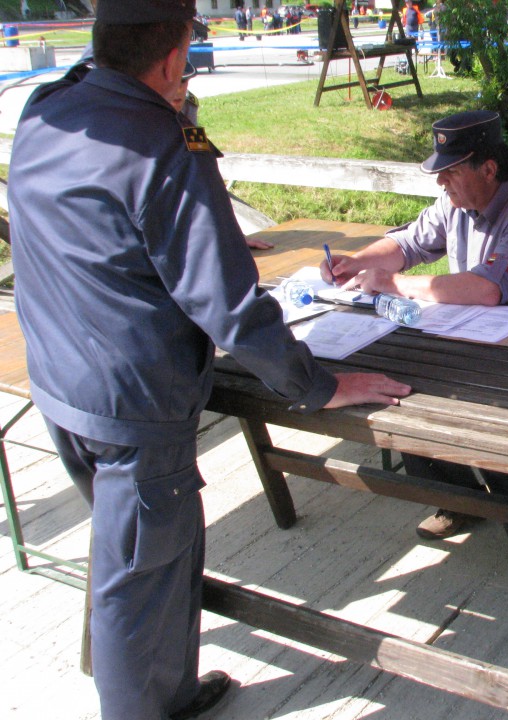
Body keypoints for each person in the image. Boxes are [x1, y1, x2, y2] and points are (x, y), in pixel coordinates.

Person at [7, 2, 411, 719]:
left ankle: (170, 691)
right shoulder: (163, 144)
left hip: (62, 382)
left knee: (143, 562)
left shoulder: (48, 107)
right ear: (171, 60)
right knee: (140, 582)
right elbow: (227, 304)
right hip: (133, 404)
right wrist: (317, 384)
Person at [324, 110, 508, 569]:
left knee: (484, 408)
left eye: (449, 172)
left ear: (488, 168)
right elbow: (409, 243)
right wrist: (356, 260)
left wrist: (393, 284)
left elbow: (488, 288)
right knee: (402, 380)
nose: (441, 183)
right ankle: (459, 501)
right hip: (474, 327)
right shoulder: (455, 200)